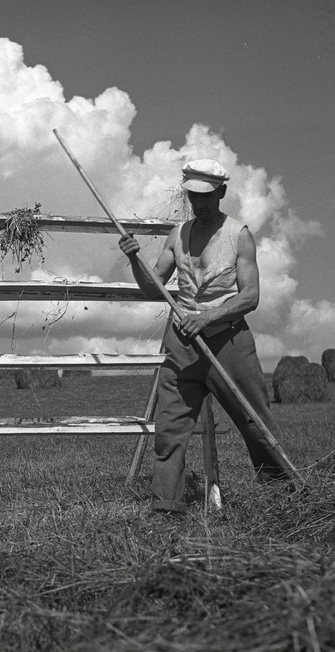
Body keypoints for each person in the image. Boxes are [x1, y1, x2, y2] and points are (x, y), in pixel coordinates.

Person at [119, 158, 288, 515]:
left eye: (206, 196)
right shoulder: (177, 234)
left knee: (255, 422)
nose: (199, 203)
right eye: (193, 196)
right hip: (181, 342)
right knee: (169, 429)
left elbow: (250, 296)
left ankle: (283, 498)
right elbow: (154, 289)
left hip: (228, 340)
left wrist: (207, 316)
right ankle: (166, 508)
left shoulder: (238, 235)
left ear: (222, 193)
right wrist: (136, 260)